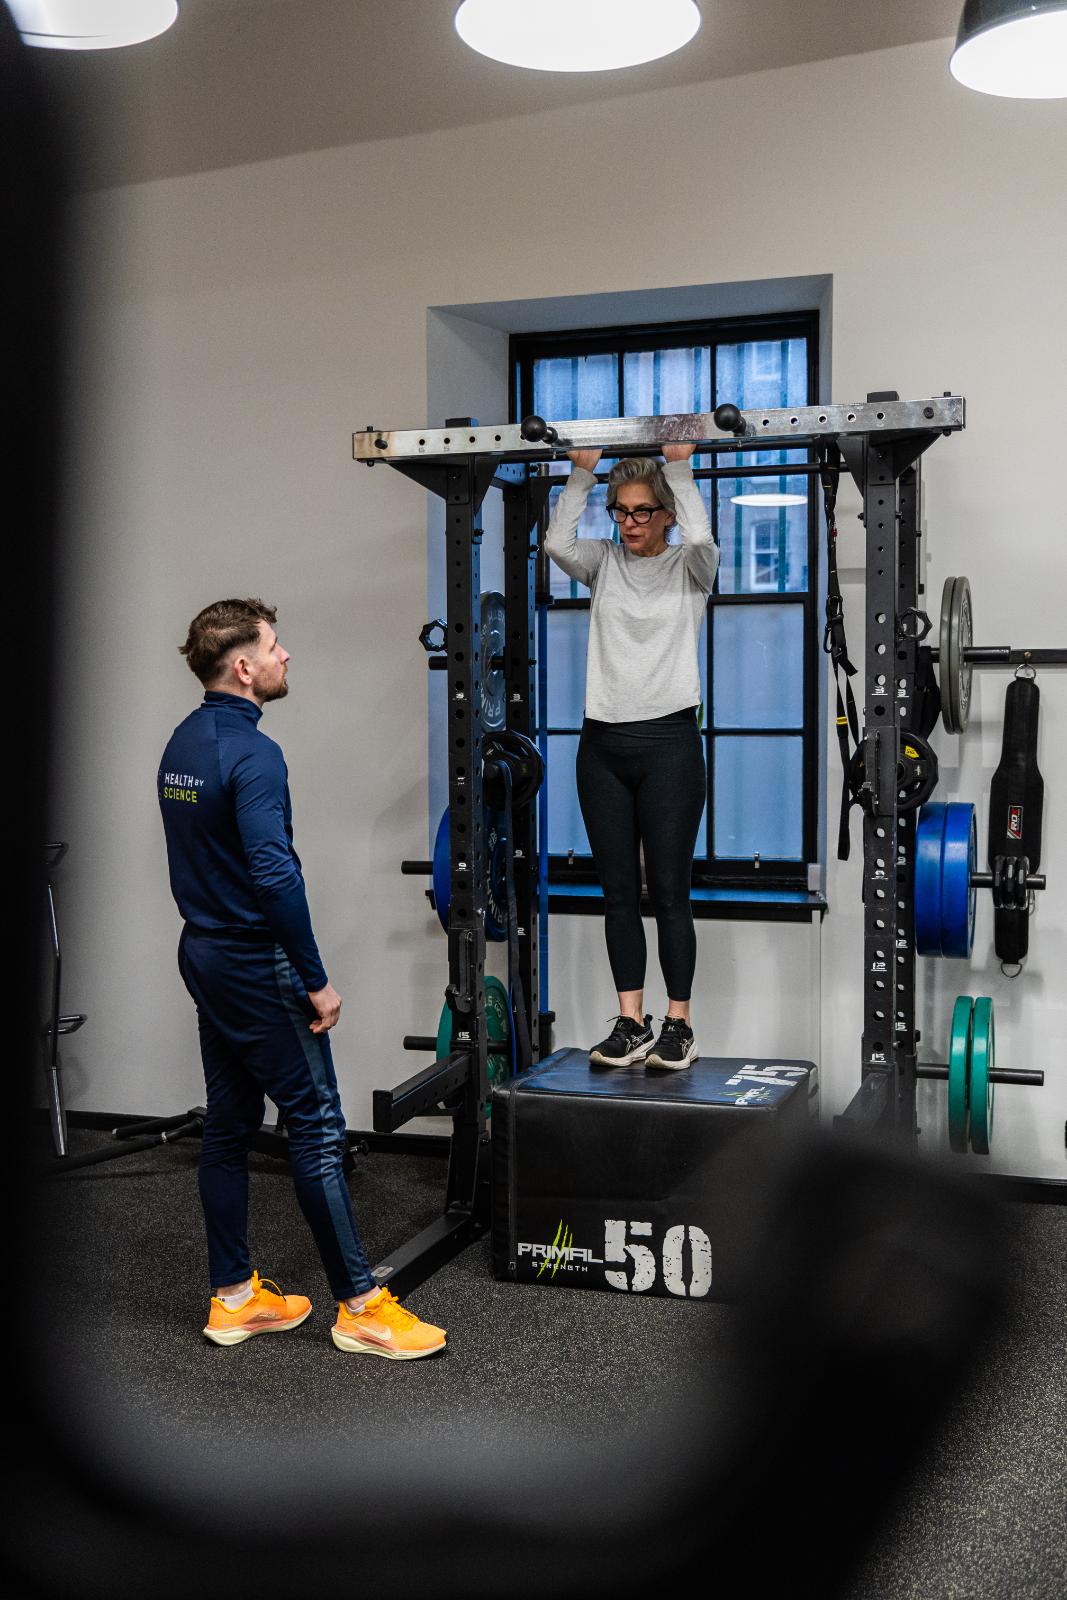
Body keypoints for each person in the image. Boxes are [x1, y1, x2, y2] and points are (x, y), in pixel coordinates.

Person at [158, 597, 445, 1359]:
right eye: (276, 647)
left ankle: (235, 1298)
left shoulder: (183, 743)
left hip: (204, 953)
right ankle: (359, 1308)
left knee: (228, 1121)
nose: (288, 658)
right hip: (254, 961)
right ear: (243, 666)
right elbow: (273, 874)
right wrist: (315, 979)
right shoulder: (255, 755)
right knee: (316, 1126)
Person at [544, 446, 718, 1069]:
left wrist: (680, 468)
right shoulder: (602, 564)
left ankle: (679, 1025)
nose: (630, 522)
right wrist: (583, 474)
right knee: (619, 892)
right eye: (620, 512)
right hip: (603, 747)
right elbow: (556, 541)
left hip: (669, 743)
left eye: (643, 512)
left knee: (669, 891)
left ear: (666, 514)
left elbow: (701, 534)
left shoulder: (692, 566)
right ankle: (630, 1020)